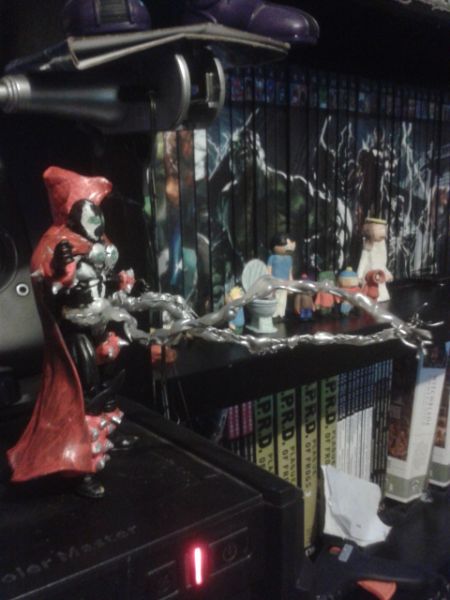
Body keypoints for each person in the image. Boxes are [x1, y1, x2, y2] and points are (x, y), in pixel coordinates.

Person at [8, 166, 138, 498]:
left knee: (107, 381)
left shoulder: (97, 242)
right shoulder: (56, 244)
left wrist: (119, 283)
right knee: (87, 389)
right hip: (74, 330)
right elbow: (47, 278)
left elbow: (105, 276)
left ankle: (108, 436)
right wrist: (61, 271)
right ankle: (83, 465)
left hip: (100, 322)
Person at [267, 233, 295, 320]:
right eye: (283, 245)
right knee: (275, 299)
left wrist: (291, 283)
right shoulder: (272, 258)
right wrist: (269, 281)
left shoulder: (289, 259)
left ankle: (281, 314)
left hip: (285, 283)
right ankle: (274, 315)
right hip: (275, 282)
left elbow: (290, 272)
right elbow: (269, 271)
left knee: (283, 300)